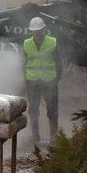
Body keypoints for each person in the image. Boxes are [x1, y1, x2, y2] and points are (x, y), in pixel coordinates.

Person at [23, 17, 61, 145]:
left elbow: (58, 62)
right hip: (32, 81)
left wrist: (56, 79)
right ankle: (35, 138)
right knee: (33, 110)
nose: (37, 32)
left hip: (49, 80)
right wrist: (26, 79)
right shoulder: (27, 43)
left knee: (52, 110)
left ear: (44, 29)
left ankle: (54, 138)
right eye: (35, 30)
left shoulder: (52, 42)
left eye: (39, 30)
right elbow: (24, 63)